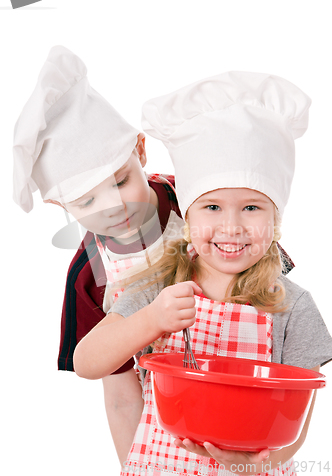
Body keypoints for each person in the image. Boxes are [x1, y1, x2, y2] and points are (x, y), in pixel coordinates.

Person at [73, 71, 332, 476]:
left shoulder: (294, 308)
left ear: (276, 219)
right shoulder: (158, 290)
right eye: (212, 208)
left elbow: (293, 432)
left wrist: (249, 465)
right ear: (187, 215)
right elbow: (87, 362)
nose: (231, 227)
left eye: (251, 207)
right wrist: (151, 321)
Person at [12, 45, 184, 466]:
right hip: (167, 424)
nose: (114, 207)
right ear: (61, 207)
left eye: (123, 180)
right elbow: (122, 396)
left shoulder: (196, 201)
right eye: (87, 201)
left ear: (141, 151)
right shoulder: (88, 276)